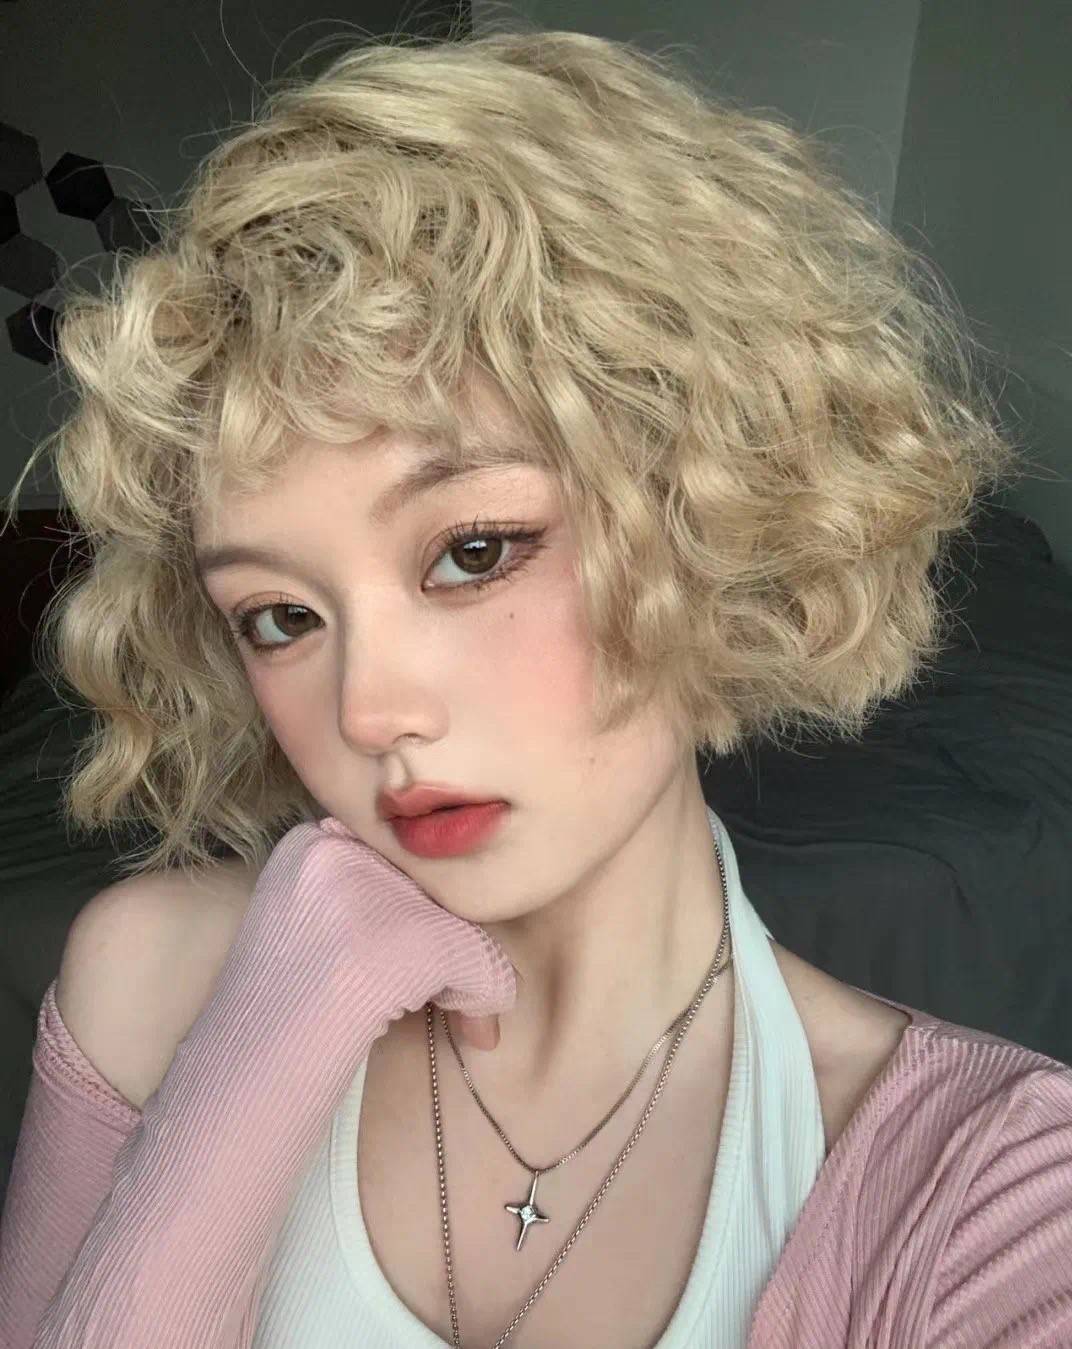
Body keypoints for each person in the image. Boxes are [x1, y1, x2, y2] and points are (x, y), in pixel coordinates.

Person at [2, 22, 1069, 1349]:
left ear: (702, 516)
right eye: (281, 617)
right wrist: (246, 1076)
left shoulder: (993, 1192)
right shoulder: (152, 982)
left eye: (473, 551)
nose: (370, 711)